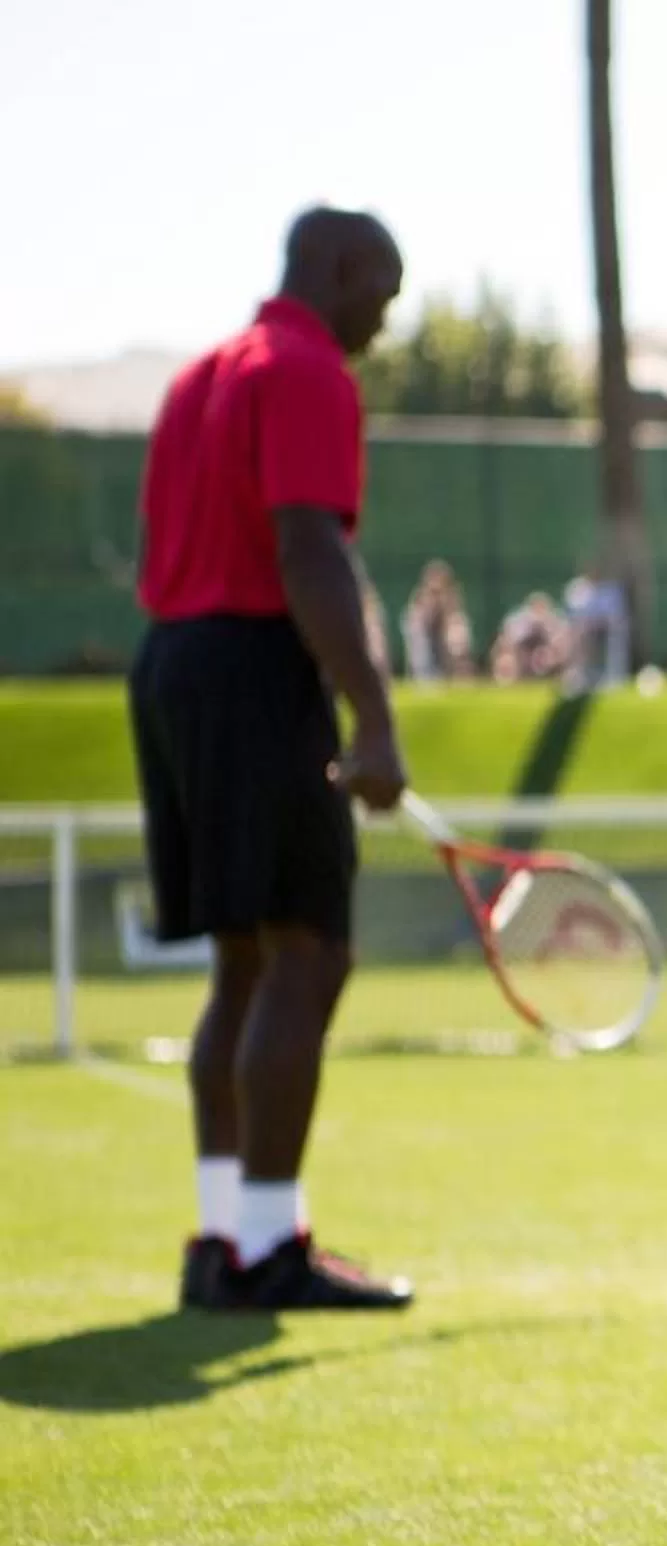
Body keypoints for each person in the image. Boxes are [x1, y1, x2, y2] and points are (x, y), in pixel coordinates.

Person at [128, 208, 413, 1311]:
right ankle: (264, 1252)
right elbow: (307, 548)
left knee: (244, 962)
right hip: (251, 664)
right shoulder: (303, 371)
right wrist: (373, 718)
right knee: (306, 954)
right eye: (381, 295)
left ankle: (226, 1237)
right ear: (337, 271)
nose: (382, 322)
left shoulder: (201, 374)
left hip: (173, 665)